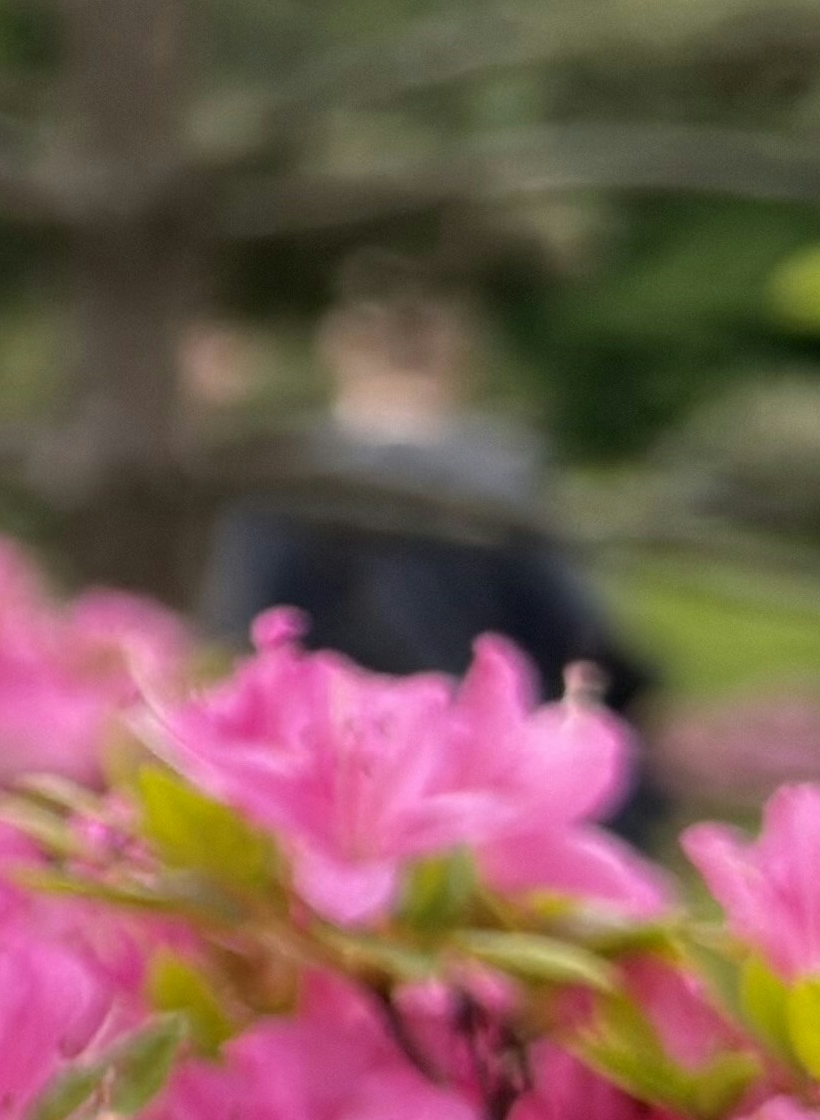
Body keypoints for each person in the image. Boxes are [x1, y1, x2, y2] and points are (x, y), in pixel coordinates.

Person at [199, 274, 657, 807]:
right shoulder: (502, 472)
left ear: (339, 346)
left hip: (323, 772)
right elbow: (575, 630)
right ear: (460, 351)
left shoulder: (281, 470)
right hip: (477, 775)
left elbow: (243, 634)